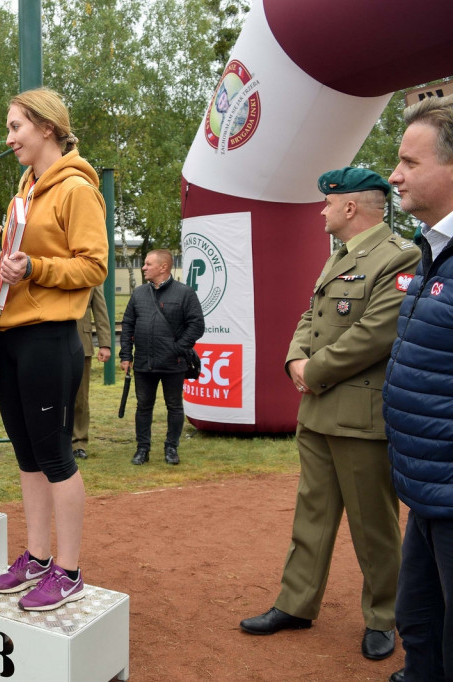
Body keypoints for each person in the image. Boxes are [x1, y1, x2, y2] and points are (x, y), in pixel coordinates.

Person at [239, 167, 419, 665]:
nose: (321, 210)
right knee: (311, 516)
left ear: (350, 207)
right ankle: (296, 604)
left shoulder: (399, 257)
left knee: (373, 524)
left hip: (360, 415)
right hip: (318, 411)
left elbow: (375, 334)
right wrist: (296, 358)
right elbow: (310, 315)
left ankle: (384, 617)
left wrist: (311, 370)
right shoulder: (340, 257)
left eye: (327, 202)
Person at [0, 88, 107, 611]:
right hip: (11, 332)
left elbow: (94, 266)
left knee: (54, 453)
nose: (9, 138)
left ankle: (70, 570)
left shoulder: (76, 188)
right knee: (27, 452)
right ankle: (35, 556)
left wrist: (35, 268)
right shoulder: (24, 190)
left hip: (50, 337)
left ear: (48, 128)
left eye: (16, 128)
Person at [382, 94, 453, 682]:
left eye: (409, 162)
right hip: (427, 491)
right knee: (420, 622)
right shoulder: (434, 250)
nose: (395, 174)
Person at [119, 249, 204, 465]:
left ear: (163, 267)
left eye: (148, 264)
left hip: (173, 363)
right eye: (144, 264)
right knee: (143, 406)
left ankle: (171, 449)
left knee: (174, 406)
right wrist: (126, 355)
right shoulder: (138, 294)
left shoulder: (185, 293)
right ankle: (142, 450)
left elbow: (197, 325)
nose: (144, 267)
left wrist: (177, 348)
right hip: (143, 363)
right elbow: (128, 323)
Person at [73, 286, 112, 459]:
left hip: (82, 344)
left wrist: (105, 344)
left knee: (80, 398)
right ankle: (55, 441)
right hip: (52, 344)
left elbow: (100, 310)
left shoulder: (91, 273)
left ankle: (78, 443)